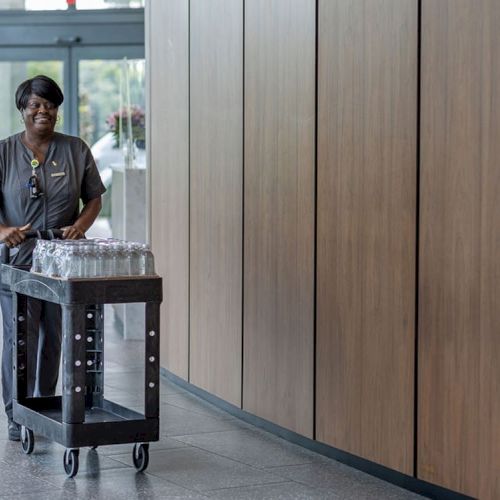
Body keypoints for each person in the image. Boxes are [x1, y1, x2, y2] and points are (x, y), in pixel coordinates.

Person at [0, 75, 105, 440]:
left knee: (54, 336)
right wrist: (3, 231)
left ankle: (45, 407)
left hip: (62, 260)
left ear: (57, 111)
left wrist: (80, 225)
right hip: (19, 260)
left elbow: (94, 198)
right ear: (23, 111)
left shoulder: (76, 149)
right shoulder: (4, 152)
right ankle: (18, 413)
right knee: (19, 338)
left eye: (50, 105)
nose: (43, 111)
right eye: (35, 105)